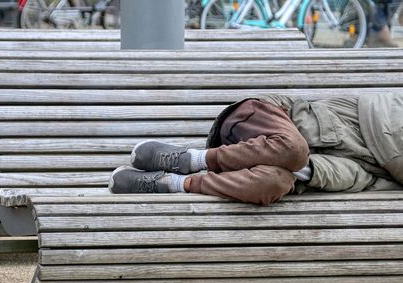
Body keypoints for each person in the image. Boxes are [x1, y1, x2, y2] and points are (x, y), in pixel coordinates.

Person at [109, 93, 403, 206]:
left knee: (274, 183)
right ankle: (192, 159)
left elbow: (350, 177)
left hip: (281, 166)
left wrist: (306, 173)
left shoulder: (385, 175)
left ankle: (170, 183)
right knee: (293, 149)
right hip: (260, 120)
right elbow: (388, 129)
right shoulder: (389, 109)